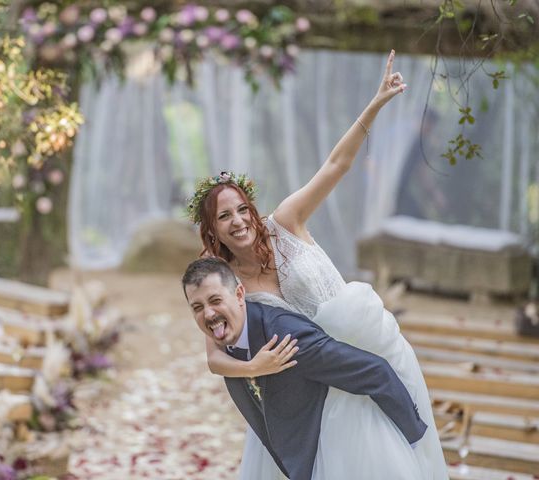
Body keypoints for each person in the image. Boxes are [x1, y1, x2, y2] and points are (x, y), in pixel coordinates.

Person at [186, 50, 448, 479]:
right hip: (312, 388)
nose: (238, 222)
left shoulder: (285, 222)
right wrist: (254, 367)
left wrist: (377, 102)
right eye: (224, 217)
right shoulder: (225, 280)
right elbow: (214, 355)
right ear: (212, 230)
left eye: (241, 210)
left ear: (252, 209)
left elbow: (336, 165)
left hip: (370, 349)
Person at [182, 257, 428, 480]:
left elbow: (375, 371)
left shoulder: (286, 338)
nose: (209, 313)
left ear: (238, 295)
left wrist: (411, 441)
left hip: (343, 455)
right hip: (296, 459)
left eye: (215, 300)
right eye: (198, 307)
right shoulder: (227, 342)